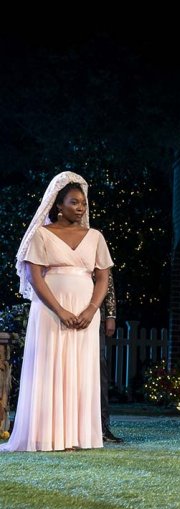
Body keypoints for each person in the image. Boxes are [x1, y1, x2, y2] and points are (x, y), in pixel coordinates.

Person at [1, 171, 113, 452]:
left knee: (80, 370)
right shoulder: (41, 234)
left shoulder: (95, 236)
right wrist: (60, 309)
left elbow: (103, 277)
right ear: (58, 205)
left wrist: (91, 309)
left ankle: (77, 436)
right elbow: (35, 276)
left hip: (86, 311)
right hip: (50, 309)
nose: (80, 208)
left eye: (83, 203)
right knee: (50, 368)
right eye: (74, 202)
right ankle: (46, 435)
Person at [100, 272, 123, 443]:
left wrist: (110, 315)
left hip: (94, 314)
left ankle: (102, 425)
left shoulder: (96, 244)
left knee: (99, 370)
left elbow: (107, 278)